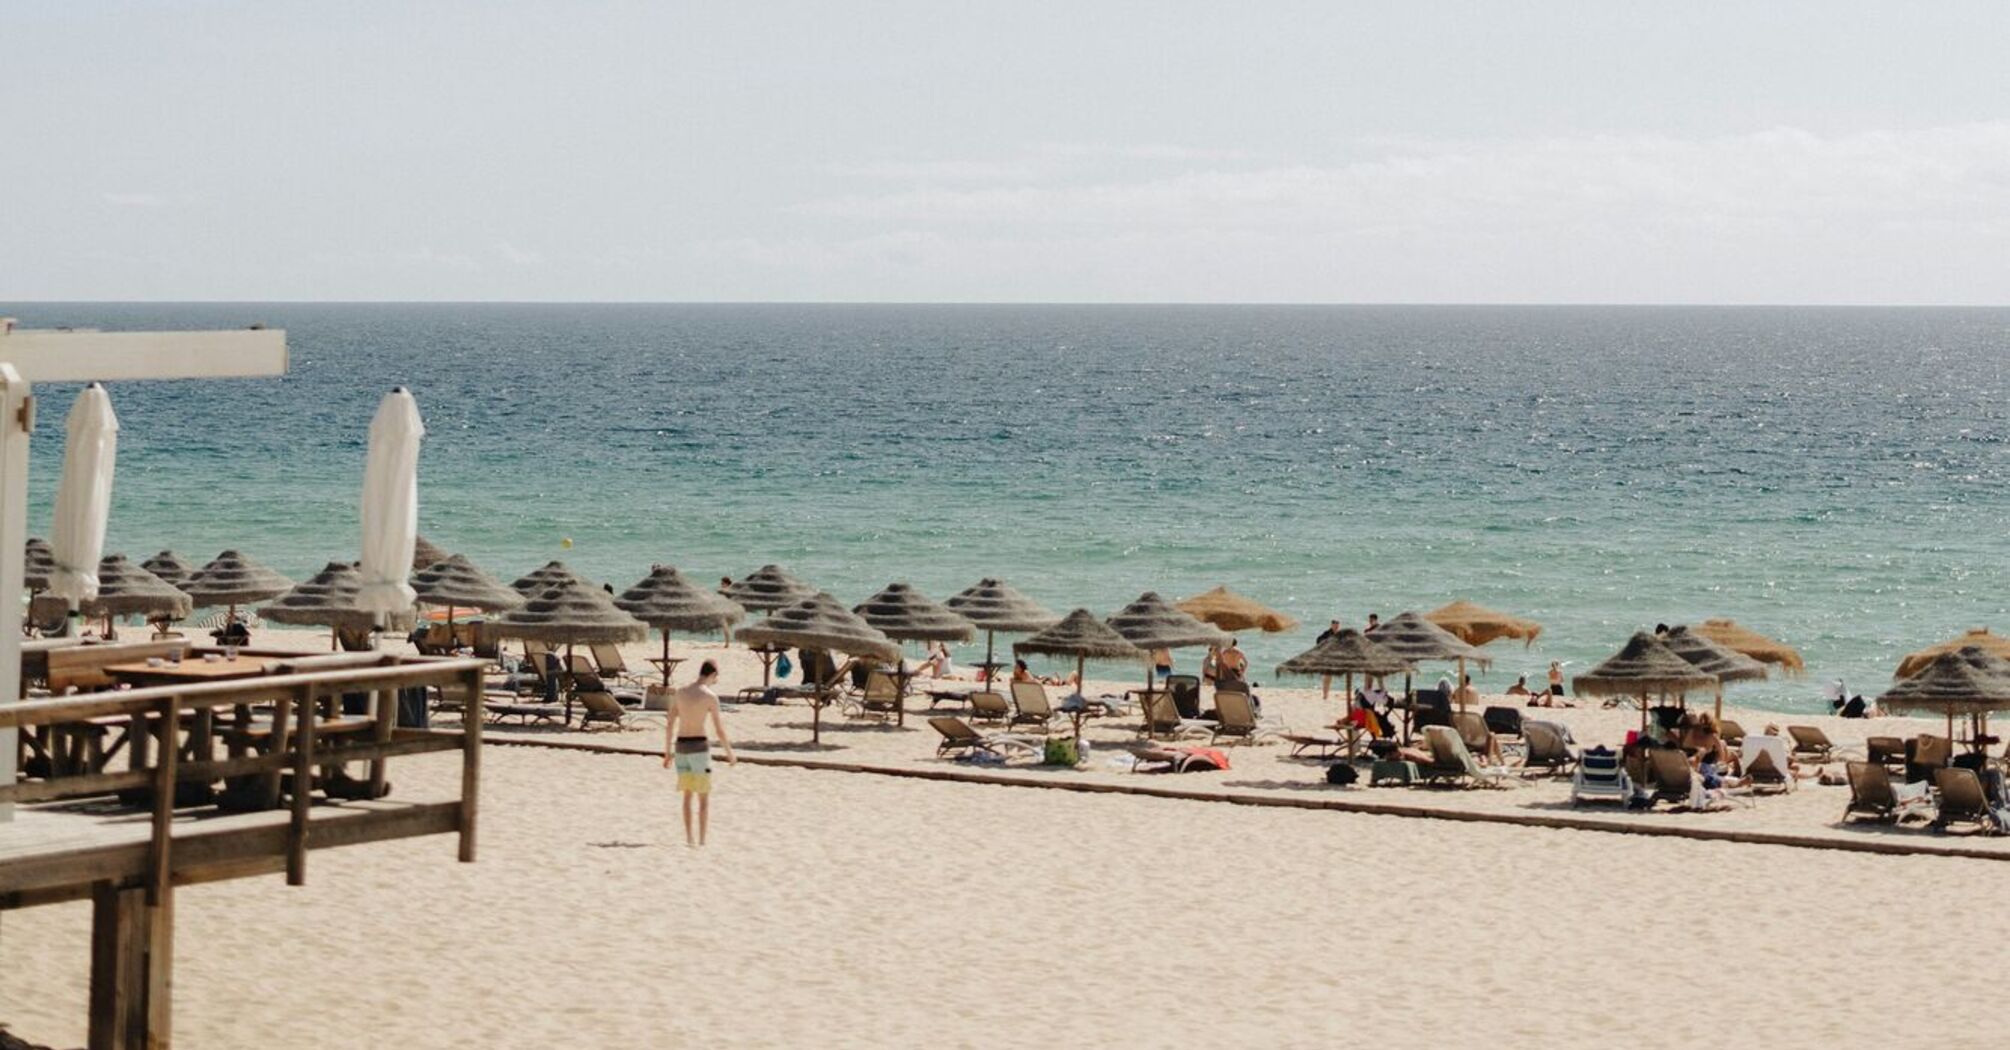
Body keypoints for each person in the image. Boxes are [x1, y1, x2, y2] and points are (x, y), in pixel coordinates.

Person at [662, 661, 736, 847]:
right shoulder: (710, 696)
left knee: (687, 796)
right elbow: (719, 730)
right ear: (712, 674)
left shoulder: (681, 692)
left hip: (681, 746)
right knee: (703, 796)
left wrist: (667, 752)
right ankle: (702, 840)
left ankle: (689, 838)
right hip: (699, 747)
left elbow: (670, 722)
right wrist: (730, 753)